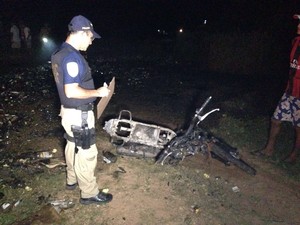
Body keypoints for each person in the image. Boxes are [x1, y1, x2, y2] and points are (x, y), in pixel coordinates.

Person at [51, 15, 113, 205]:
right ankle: (88, 193)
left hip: (68, 111)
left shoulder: (59, 53)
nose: (92, 41)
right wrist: (98, 92)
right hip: (79, 113)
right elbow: (71, 90)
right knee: (86, 151)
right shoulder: (71, 57)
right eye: (91, 37)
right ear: (82, 33)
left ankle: (71, 179)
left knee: (71, 143)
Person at [257, 14, 300, 163]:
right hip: (289, 91)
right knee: (276, 119)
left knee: (298, 127)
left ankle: (294, 156)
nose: (298, 25)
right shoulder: (296, 41)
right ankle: (268, 150)